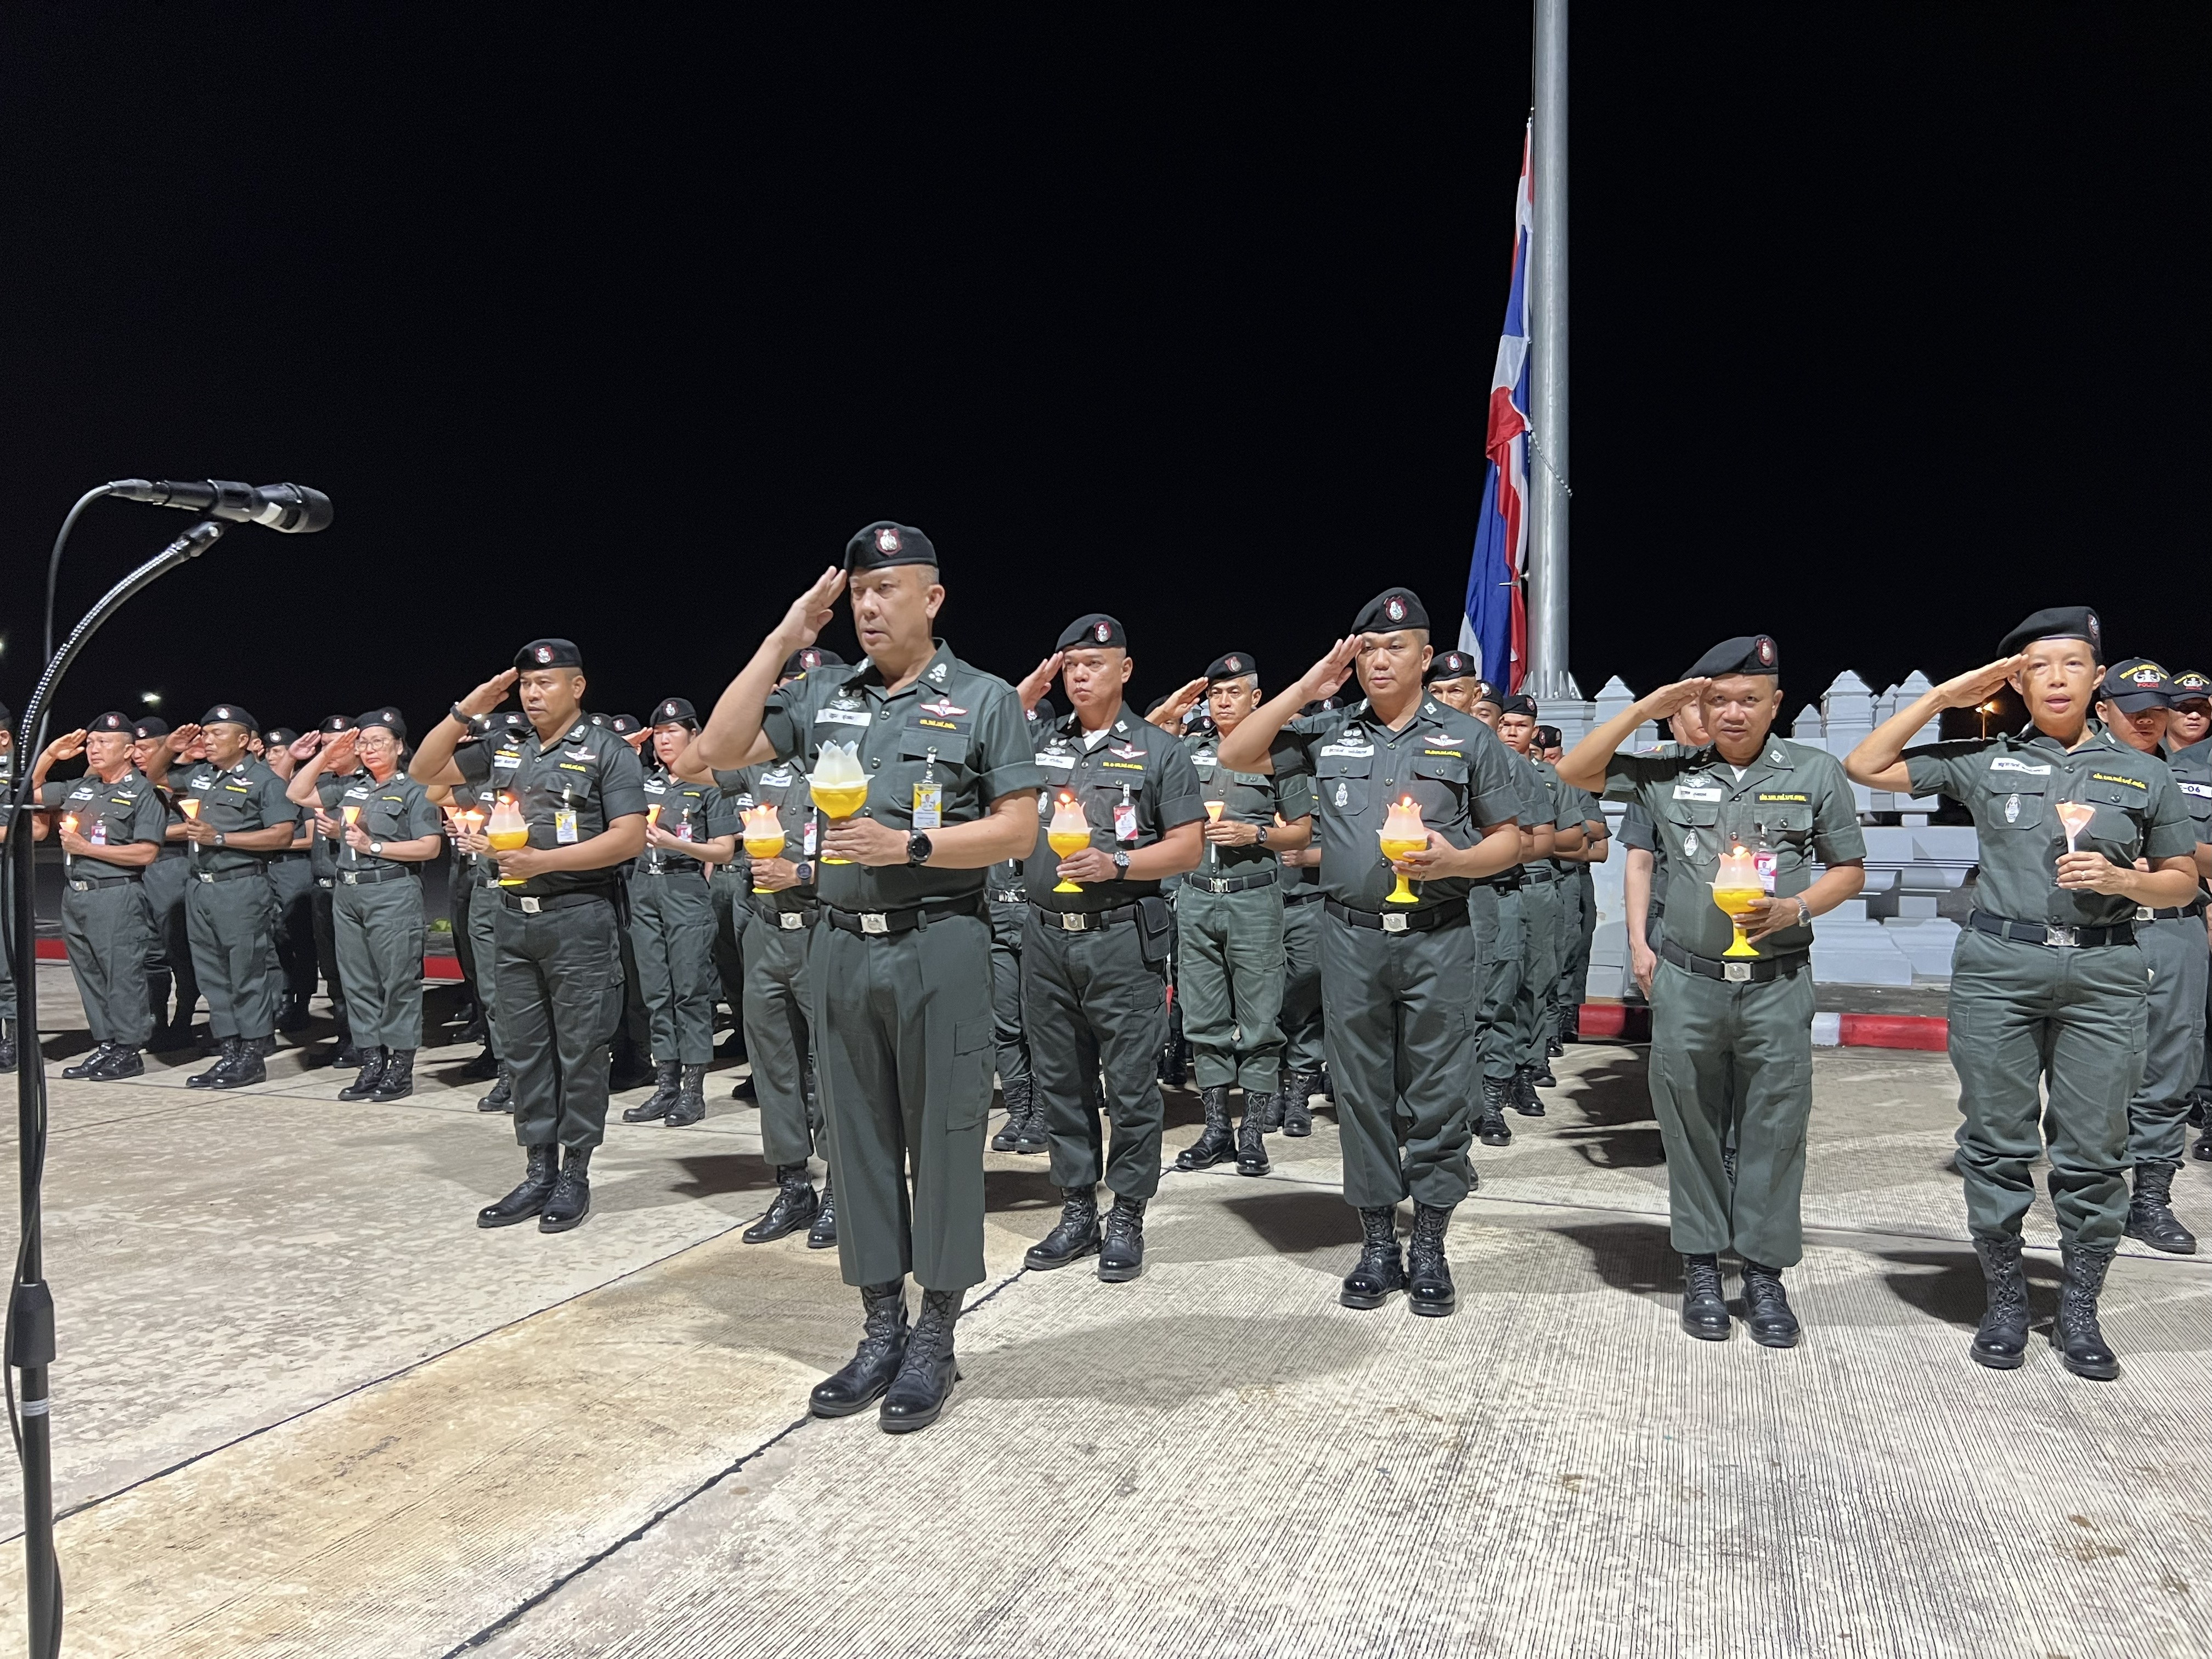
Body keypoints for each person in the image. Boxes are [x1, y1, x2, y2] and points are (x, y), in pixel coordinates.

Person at [687, 523, 1041, 1434]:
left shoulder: (983, 698)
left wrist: (910, 845)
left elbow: (1017, 829)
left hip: (941, 941)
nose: (869, 607)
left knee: (945, 1137)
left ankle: (935, 1336)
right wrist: (785, 635)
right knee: (857, 1139)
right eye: (856, 595)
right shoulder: (823, 694)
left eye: (887, 590)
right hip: (840, 943)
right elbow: (717, 749)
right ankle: (881, 1326)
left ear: (933, 598)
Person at [1844, 608, 2196, 1379]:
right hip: (2000, 971)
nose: (2057, 679)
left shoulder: (2145, 773)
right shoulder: (1986, 760)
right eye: (2039, 667)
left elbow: (2181, 881)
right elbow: (1865, 764)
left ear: (2098, 680)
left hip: (2104, 971)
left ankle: (2079, 1309)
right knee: (1997, 1140)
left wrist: (2124, 880)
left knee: (2095, 1148)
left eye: (2073, 664)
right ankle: (2005, 1299)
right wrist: (1948, 697)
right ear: (2018, 682)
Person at [1218, 588, 1521, 1316]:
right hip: (1351, 937)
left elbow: (1511, 839)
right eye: (1369, 650)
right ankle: (1379, 1241)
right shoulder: (1327, 733)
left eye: (1396, 648)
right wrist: (1307, 686)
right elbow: (1235, 751)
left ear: (1425, 656)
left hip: (1438, 936)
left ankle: (1431, 1244)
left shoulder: (1467, 738)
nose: (1381, 660)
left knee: (1439, 1091)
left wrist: (1456, 861)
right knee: (1360, 1092)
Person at [1560, 636, 1866, 1349]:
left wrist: (1796, 909)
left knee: (1775, 1128)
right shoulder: (1666, 771)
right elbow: (1574, 772)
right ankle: (1700, 1266)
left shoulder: (1814, 772)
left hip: (1776, 983)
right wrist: (1649, 708)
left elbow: (1849, 868)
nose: (1733, 712)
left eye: (1749, 699)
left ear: (1775, 703)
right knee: (1690, 1125)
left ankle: (1763, 1273)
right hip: (1690, 982)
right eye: (1719, 699)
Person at [411, 640, 648, 1234]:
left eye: (546, 683)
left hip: (579, 916)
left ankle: (575, 1175)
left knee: (581, 1051)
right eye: (525, 685)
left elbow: (628, 838)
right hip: (514, 919)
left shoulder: (607, 750)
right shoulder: (505, 744)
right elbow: (424, 771)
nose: (533, 694)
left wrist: (544, 862)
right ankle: (538, 1170)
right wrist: (470, 708)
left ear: (577, 687)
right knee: (526, 1050)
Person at [1012, 615, 1204, 1283]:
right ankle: (1076, 1210)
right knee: (1061, 1083)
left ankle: (1126, 1214)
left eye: (1094, 664)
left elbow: (1187, 847)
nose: (1080, 676)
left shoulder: (1159, 751)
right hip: (1046, 938)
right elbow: (979, 742)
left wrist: (1117, 863)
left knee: (1129, 1086)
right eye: (1070, 665)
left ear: (1125, 670)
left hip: (1120, 937)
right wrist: (1028, 692)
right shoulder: (1040, 741)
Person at [1147, 653, 1314, 1177]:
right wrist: (1169, 712)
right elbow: (1137, 747)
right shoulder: (1188, 751)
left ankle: (1253, 1134)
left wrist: (1256, 833)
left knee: (1260, 1019)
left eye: (1234, 692)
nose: (1223, 701)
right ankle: (1217, 1128)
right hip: (1197, 896)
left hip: (1253, 898)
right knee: (1203, 1017)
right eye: (1215, 693)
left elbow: (1301, 831)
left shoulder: (1279, 751)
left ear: (1256, 699)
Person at [2090, 662, 2203, 1254]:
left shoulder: (2194, 773)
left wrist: (2170, 854)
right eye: (2135, 709)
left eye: (2159, 709)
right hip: (2102, 929)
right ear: (2103, 708)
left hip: (2175, 928)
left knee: (2172, 1066)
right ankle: (2093, 1197)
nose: (2148, 720)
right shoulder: (2074, 765)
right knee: (2098, 1069)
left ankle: (2151, 1200)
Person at [288, 710, 443, 1102]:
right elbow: (298, 793)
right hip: (349, 894)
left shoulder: (415, 789)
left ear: (399, 747)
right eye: (364, 742)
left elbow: (429, 847)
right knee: (357, 982)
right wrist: (327, 755)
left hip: (391, 891)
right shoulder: (351, 786)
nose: (370, 749)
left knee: (398, 982)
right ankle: (371, 1062)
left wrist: (373, 845)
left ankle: (400, 1068)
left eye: (379, 742)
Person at [1421, 662, 1538, 1147]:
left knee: (1492, 1002)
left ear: (1475, 698)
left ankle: (1488, 1102)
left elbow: (1534, 840)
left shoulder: (1506, 761)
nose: (1447, 700)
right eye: (1437, 690)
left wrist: (1468, 854)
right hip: (1427, 898)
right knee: (1436, 1013)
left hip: (1488, 894)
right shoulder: (1411, 750)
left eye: (1457, 691)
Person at [29, 713, 167, 1079]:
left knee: (122, 976)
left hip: (116, 894)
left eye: (104, 742)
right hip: (76, 895)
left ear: (129, 750)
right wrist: (50, 756)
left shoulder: (145, 793)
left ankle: (129, 1049)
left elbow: (146, 852)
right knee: (89, 975)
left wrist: (87, 849)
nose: (94, 749)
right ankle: (107, 1044)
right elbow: (27, 792)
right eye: (91, 743)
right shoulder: (81, 787)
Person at [173, 706, 304, 1089]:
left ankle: (252, 1054)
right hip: (201, 886)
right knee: (212, 975)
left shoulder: (265, 781)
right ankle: (229, 1050)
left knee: (246, 973)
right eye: (206, 733)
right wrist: (172, 749)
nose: (208, 740)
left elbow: (282, 835)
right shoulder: (202, 776)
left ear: (244, 740)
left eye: (218, 733)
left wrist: (220, 838)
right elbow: (155, 776)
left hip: (241, 886)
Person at [622, 698, 736, 1132]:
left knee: (690, 991)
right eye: (659, 733)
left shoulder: (709, 786)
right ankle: (665, 1083)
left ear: (694, 736)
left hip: (684, 887)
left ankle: (692, 1089)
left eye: (674, 732)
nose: (665, 740)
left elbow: (723, 851)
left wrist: (676, 844)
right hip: (644, 889)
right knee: (655, 992)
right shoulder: (644, 784)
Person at [433, 710, 531, 1110]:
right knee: (491, 991)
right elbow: (434, 790)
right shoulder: (483, 786)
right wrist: (459, 756)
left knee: (524, 992)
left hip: (523, 893)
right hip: (485, 893)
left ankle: (530, 1074)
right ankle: (507, 1070)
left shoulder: (538, 783)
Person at [1497, 695, 1584, 1112]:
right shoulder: (1480, 769)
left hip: (1536, 885)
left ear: (1534, 732)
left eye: (1521, 726)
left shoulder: (1551, 778)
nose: (1512, 732)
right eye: (1506, 724)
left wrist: (1525, 842)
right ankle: (1493, 1075)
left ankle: (1527, 1068)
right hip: (1490, 887)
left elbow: (1574, 835)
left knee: (1536, 981)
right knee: (1495, 986)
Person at [988, 692, 1052, 1155]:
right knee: (1005, 1023)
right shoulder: (988, 783)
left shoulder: (1055, 787)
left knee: (1040, 1022)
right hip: (995, 914)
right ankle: (1018, 1109)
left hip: (1036, 914)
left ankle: (1045, 1112)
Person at [1620, 700, 1712, 1001]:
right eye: (1694, 707)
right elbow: (1639, 861)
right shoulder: (1654, 774)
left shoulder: (1743, 774)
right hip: (1670, 923)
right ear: (1673, 720)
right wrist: (1638, 943)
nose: (1705, 716)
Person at [129, 716, 201, 1050]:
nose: (138, 754)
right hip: (137, 872)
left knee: (179, 950)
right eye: (134, 748)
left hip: (172, 867)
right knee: (149, 952)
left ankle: (183, 1020)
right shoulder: (129, 781)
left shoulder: (180, 780)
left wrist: (147, 835)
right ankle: (156, 1020)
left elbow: (196, 826)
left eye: (146, 748)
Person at [300, 715, 365, 1065]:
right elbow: (289, 791)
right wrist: (309, 758)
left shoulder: (370, 783)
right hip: (323, 887)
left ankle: (366, 1042)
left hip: (353, 886)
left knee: (359, 970)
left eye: (337, 745)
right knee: (333, 971)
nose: (329, 751)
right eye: (325, 745)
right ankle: (346, 1037)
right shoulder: (324, 783)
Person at [1542, 726, 1609, 1045]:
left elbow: (1597, 833)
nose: (1548, 763)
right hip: (1539, 875)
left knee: (1574, 948)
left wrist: (1560, 827)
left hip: (1573, 876)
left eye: (1554, 756)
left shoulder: (1574, 784)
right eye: (1542, 756)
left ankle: (1567, 1015)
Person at [2170, 672, 2212, 1163]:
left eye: (2202, 706)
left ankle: (2208, 1103)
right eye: (2183, 706)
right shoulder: (2138, 756)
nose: (2194, 714)